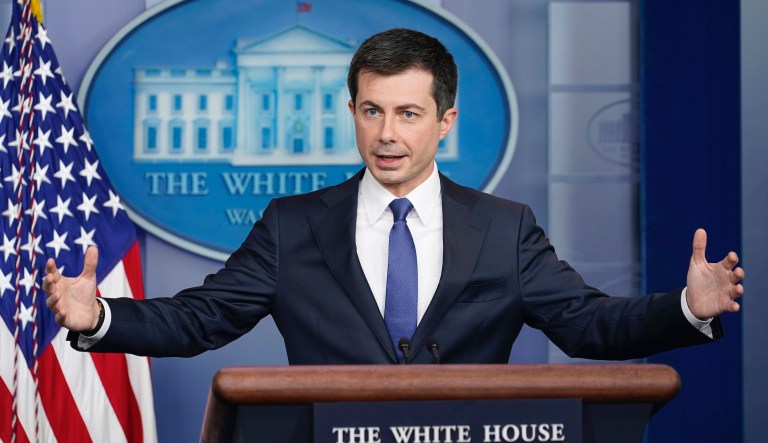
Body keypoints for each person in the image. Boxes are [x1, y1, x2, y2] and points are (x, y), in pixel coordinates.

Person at [43, 28, 744, 364]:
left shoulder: (505, 228)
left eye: (408, 113)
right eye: (372, 111)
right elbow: (200, 320)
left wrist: (687, 309)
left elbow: (588, 323)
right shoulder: (292, 225)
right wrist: (98, 315)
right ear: (352, 112)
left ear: (445, 121)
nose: (387, 134)